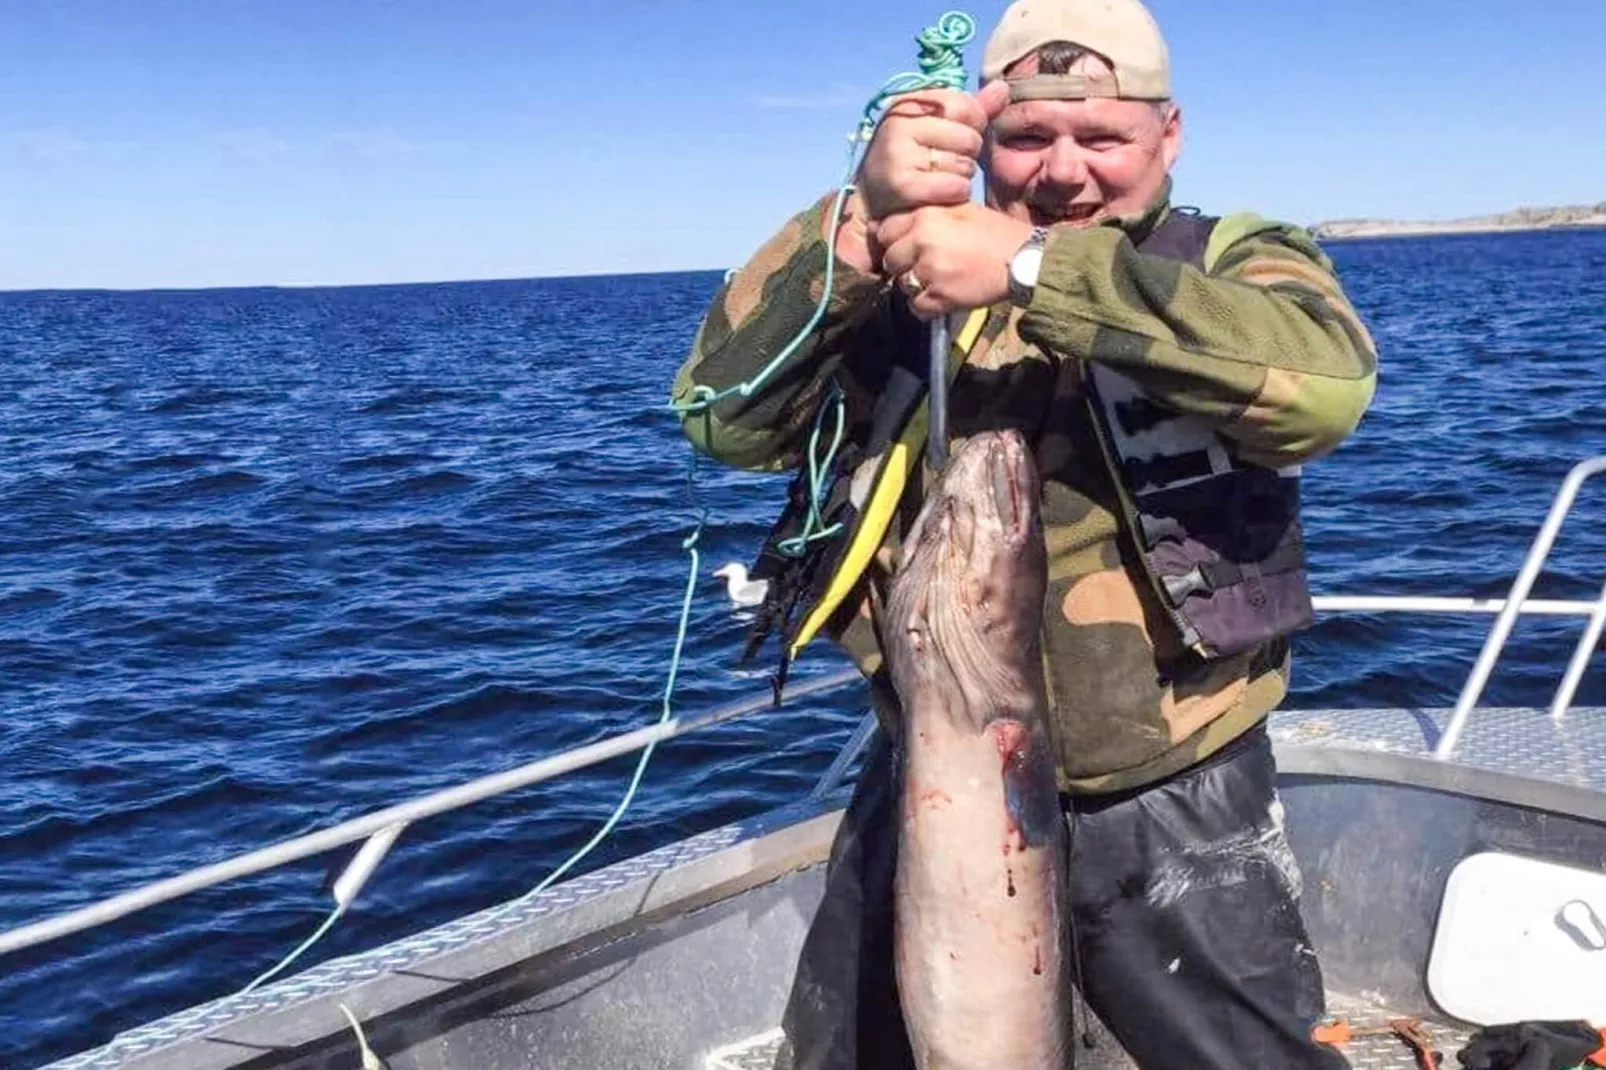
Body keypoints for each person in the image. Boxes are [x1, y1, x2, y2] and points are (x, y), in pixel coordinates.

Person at [670, 0, 1377, 1066]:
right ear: (980, 138)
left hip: (1171, 787)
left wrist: (1034, 267)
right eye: (1028, 137)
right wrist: (857, 226)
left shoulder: (1233, 259)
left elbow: (1326, 389)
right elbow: (722, 416)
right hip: (929, 775)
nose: (1064, 170)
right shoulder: (895, 273)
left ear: (1167, 134)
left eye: (1103, 137)